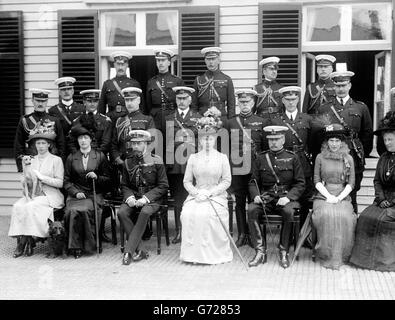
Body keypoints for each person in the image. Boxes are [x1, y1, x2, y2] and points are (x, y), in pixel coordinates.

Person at [247, 126, 305, 268]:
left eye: (277, 139)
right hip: (267, 198)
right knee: (252, 210)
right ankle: (260, 251)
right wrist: (256, 196)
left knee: (288, 212)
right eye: (271, 140)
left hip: (285, 198)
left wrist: (289, 197)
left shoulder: (292, 157)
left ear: (283, 139)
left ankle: (283, 250)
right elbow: (253, 181)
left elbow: (300, 183)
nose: (273, 142)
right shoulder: (260, 158)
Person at [316, 70, 373, 214]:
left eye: (344, 85)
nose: (340, 89)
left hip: (353, 155)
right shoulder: (325, 108)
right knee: (330, 194)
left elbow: (367, 134)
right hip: (331, 158)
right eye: (338, 86)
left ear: (350, 86)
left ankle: (352, 228)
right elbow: (319, 136)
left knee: (352, 193)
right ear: (333, 87)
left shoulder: (361, 107)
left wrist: (360, 154)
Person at [179, 115, 233, 265]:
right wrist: (196, 193)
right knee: (188, 213)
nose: (207, 141)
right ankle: (191, 255)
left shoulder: (222, 157)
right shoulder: (193, 158)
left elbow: (227, 180)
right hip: (197, 194)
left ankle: (211, 255)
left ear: (215, 139)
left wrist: (211, 192)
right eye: (204, 138)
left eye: (210, 138)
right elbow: (187, 181)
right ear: (200, 140)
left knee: (206, 215)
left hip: (216, 195)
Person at [9, 128, 64, 258]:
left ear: (49, 145)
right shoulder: (30, 160)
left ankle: (25, 242)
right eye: (38, 143)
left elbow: (60, 183)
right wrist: (24, 180)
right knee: (17, 206)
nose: (40, 146)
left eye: (43, 143)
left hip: (50, 194)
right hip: (34, 193)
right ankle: (25, 238)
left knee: (30, 206)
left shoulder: (56, 160)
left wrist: (42, 177)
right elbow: (27, 177)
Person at [350, 114, 395, 271]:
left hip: (394, 203)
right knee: (365, 216)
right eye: (385, 139)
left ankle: (382, 262)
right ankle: (363, 260)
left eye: (390, 139)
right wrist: (381, 198)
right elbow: (377, 181)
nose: (387, 143)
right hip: (383, 200)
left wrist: (391, 201)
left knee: (382, 218)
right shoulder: (383, 157)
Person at [117, 130, 168, 265]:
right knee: (122, 212)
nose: (135, 147)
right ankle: (141, 249)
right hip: (133, 197)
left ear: (146, 143)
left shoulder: (156, 160)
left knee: (145, 211)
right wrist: (130, 198)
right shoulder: (128, 162)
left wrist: (145, 198)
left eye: (138, 143)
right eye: (133, 144)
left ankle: (128, 251)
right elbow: (124, 185)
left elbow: (163, 186)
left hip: (152, 198)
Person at [226, 89, 267, 247]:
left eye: (248, 102)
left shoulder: (261, 121)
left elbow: (264, 149)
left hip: (254, 168)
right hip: (237, 167)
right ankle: (242, 234)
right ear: (238, 103)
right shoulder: (231, 122)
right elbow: (226, 148)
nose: (244, 105)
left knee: (253, 202)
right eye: (242, 102)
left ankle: (253, 234)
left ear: (253, 102)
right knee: (240, 201)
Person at [312, 123, 356, 270]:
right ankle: (325, 254)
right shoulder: (320, 157)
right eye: (331, 141)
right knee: (326, 214)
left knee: (345, 217)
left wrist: (338, 198)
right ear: (326, 142)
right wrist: (328, 196)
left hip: (343, 195)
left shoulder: (348, 158)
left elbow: (351, 183)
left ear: (342, 142)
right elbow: (316, 180)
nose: (334, 144)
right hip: (323, 195)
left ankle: (342, 255)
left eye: (337, 141)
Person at [63, 125, 111, 258]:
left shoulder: (100, 156)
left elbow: (108, 180)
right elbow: (66, 181)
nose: (83, 141)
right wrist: (75, 192)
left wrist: (97, 177)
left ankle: (88, 245)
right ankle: (75, 247)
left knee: (84, 210)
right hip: (76, 195)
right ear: (77, 141)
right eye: (80, 138)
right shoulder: (72, 158)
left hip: (94, 194)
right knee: (72, 211)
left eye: (86, 138)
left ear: (90, 140)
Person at [270, 86, 313, 227]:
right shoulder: (276, 121)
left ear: (298, 99)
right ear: (282, 100)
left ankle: (301, 234)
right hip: (284, 163)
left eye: (293, 99)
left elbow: (313, 142)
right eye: (287, 99)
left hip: (303, 161)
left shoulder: (307, 119)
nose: (290, 102)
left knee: (305, 197)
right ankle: (288, 232)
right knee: (286, 196)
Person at [165, 86, 201, 244]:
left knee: (193, 198)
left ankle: (193, 230)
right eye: (179, 98)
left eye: (184, 98)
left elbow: (201, 142)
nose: (181, 101)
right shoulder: (168, 118)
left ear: (190, 100)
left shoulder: (198, 118)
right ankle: (180, 230)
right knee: (178, 199)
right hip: (175, 165)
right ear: (175, 100)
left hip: (192, 164)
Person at [14, 88, 66, 171]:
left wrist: (60, 166)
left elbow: (61, 145)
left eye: (43, 101)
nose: (40, 104)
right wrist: (22, 167)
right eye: (38, 101)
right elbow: (19, 146)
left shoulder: (55, 120)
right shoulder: (25, 121)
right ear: (32, 100)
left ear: (47, 101)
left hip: (51, 164)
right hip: (31, 164)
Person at [111, 87, 155, 166]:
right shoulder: (120, 121)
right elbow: (114, 144)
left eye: (132, 100)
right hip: (123, 163)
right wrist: (118, 159)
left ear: (138, 100)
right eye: (127, 100)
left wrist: (143, 160)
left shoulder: (147, 120)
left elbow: (152, 143)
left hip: (142, 163)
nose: (129, 103)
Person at [146, 49, 184, 133]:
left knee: (170, 144)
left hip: (172, 115)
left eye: (163, 60)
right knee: (157, 144)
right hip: (156, 117)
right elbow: (148, 104)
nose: (160, 63)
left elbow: (183, 101)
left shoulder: (177, 81)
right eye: (158, 60)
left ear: (169, 62)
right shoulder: (151, 82)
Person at [98, 51, 142, 123]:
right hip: (111, 121)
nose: (120, 67)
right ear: (114, 65)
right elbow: (101, 107)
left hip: (128, 119)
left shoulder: (134, 83)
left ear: (127, 65)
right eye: (118, 64)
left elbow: (141, 106)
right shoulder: (107, 84)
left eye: (123, 64)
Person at [192, 47, 235, 119]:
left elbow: (231, 104)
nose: (211, 62)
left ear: (219, 60)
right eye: (208, 59)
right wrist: (196, 118)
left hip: (221, 117)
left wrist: (230, 121)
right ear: (205, 61)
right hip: (202, 118)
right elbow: (194, 104)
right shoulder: (199, 80)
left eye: (213, 59)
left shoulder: (226, 79)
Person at [69, 89, 112, 155]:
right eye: (89, 101)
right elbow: (72, 142)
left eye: (95, 101)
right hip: (80, 158)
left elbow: (106, 144)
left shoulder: (105, 121)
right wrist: (79, 156)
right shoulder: (77, 121)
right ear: (84, 102)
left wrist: (94, 157)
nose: (92, 104)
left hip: (99, 158)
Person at [48, 77, 85, 152]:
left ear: (73, 91)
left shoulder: (82, 109)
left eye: (69, 89)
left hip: (78, 148)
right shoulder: (53, 110)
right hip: (61, 149)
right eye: (63, 89)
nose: (66, 92)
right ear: (59, 92)